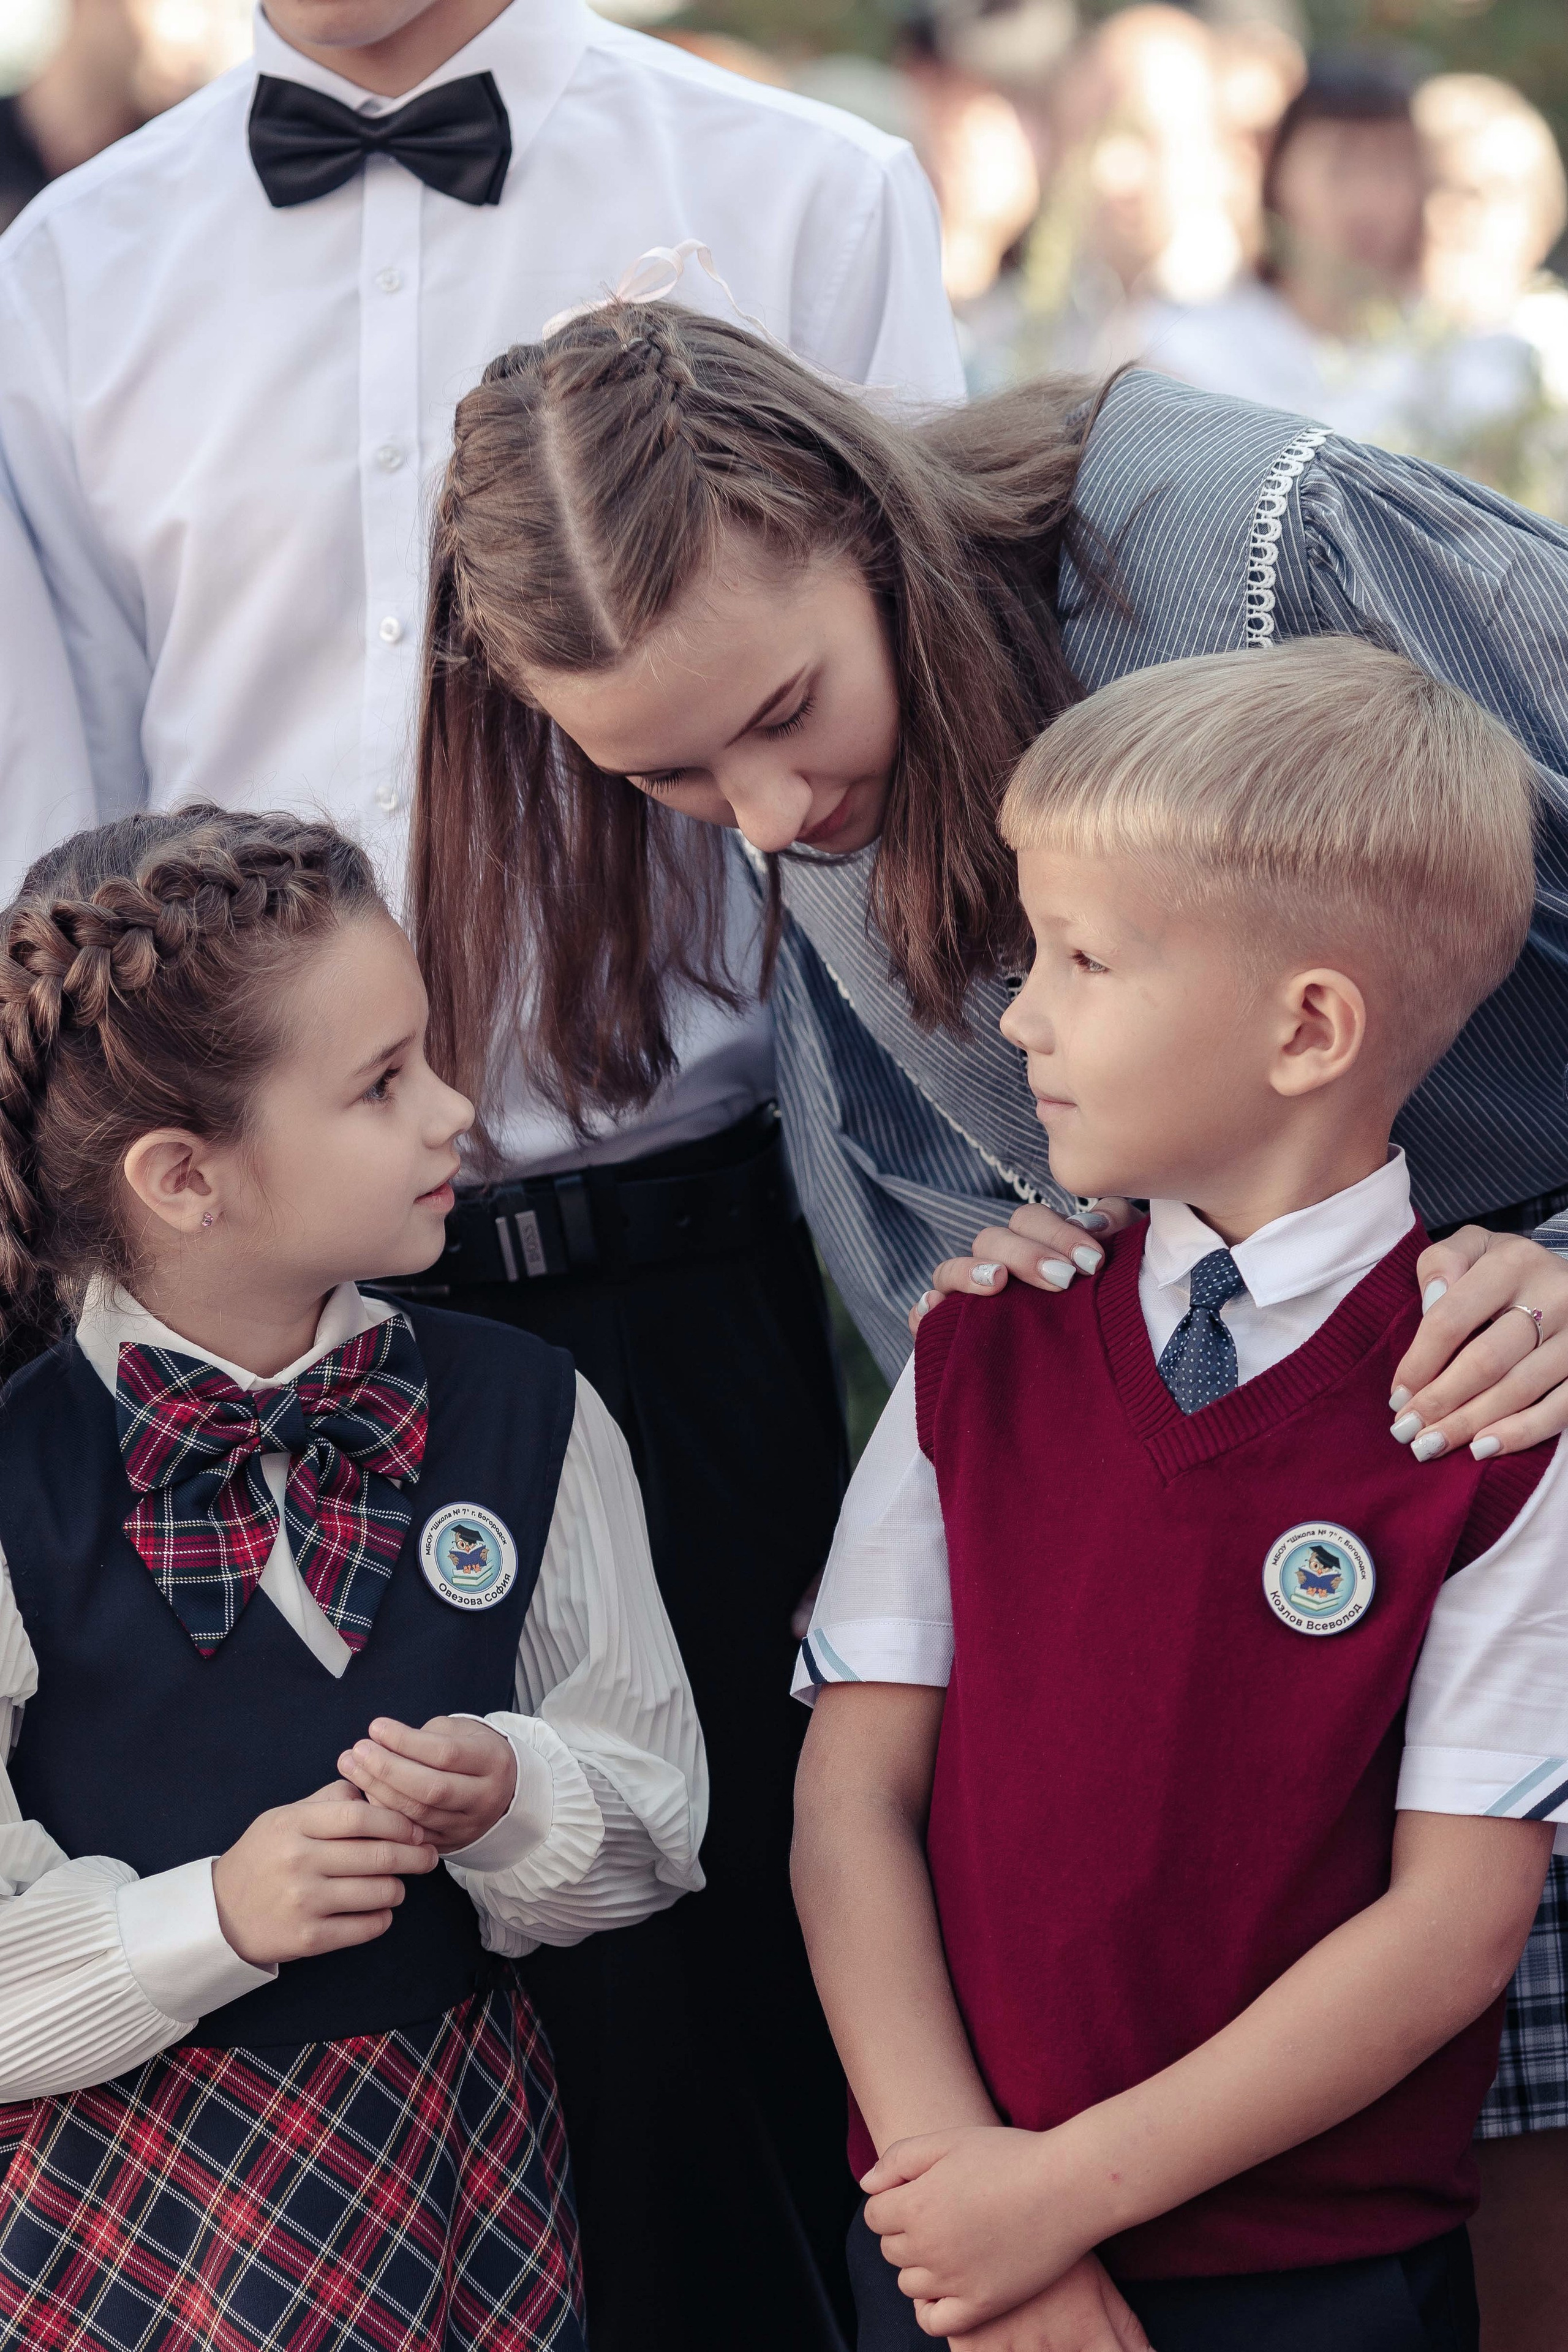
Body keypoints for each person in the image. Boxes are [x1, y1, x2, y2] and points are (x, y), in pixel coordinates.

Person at [412, 299, 1568, 2342]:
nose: (768, 814)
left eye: (785, 711)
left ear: (859, 519)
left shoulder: (1260, 540)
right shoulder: (819, 829)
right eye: (669, 776)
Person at [0, 0, 963, 2335]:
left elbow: (924, 777)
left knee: (725, 2073)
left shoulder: (805, 194)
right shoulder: (63, 272)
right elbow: (46, 828)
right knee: (219, 2044)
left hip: (672, 1278)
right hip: (206, 1318)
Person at [793, 638, 1561, 2352]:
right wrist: (972, 2210)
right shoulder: (975, 1350)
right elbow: (849, 1806)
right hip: (952, 2263)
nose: (1020, 1016)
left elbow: (1452, 1928)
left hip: (1322, 2292)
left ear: (1307, 1029)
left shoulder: (1496, 1415)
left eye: (1083, 958)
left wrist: (1061, 2199)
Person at [0, 802, 705, 2350]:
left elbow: (656, 1825)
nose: (455, 1109)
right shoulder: (15, 1485)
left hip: (459, 2188)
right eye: (383, 1083)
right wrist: (215, 1917)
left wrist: (512, 1795)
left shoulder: (529, 1414)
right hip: (127, 2231)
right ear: (185, 1177)